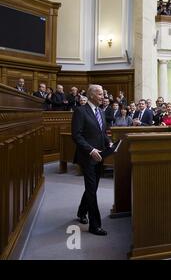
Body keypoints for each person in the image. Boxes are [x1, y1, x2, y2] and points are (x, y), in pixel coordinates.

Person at [71, 84, 112, 236]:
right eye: (101, 94)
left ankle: (81, 212)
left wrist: (109, 142)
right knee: (92, 190)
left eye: (103, 94)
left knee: (92, 188)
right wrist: (91, 149)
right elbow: (76, 135)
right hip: (87, 157)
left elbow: (102, 132)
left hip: (100, 156)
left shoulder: (100, 111)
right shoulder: (80, 111)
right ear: (92, 95)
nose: (103, 96)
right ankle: (95, 225)